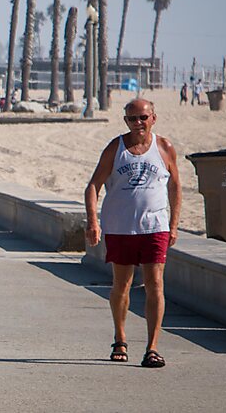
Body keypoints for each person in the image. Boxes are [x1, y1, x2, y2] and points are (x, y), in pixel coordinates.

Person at [84, 98, 180, 369]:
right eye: (132, 118)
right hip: (120, 227)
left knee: (155, 285)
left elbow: (175, 186)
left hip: (155, 227)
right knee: (121, 285)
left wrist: (173, 224)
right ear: (125, 121)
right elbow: (93, 185)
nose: (138, 123)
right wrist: (93, 221)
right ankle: (120, 338)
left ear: (153, 118)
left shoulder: (164, 147)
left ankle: (152, 348)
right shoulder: (116, 148)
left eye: (143, 117)